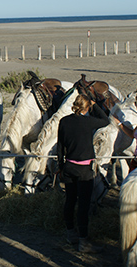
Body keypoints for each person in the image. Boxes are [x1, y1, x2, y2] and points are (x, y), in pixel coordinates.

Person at [57, 95, 109, 253]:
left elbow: (60, 147)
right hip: (84, 170)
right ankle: (83, 241)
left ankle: (70, 233)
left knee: (70, 200)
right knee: (83, 205)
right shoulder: (89, 122)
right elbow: (106, 120)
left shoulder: (64, 121)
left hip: (69, 167)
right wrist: (95, 105)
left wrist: (60, 166)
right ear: (87, 107)